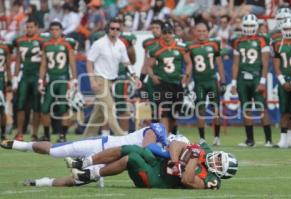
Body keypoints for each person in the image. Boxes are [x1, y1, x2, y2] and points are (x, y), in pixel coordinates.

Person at [1, 123, 172, 187]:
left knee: (78, 180)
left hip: (111, 161)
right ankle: (18, 144)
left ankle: (40, 182)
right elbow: (147, 145)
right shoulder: (159, 131)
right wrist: (165, 153)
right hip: (102, 145)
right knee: (55, 151)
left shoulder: (163, 156)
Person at [69, 141, 238, 189]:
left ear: (220, 173)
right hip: (160, 164)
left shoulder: (211, 180)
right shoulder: (206, 151)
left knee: (133, 158)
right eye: (218, 158)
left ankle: (91, 175)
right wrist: (175, 160)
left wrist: (193, 156)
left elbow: (187, 180)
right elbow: (176, 144)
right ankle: (85, 161)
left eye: (218, 164)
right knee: (132, 148)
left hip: (158, 181)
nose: (214, 160)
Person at [83, 18, 141, 136]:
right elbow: (89, 61)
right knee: (110, 107)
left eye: (117, 29)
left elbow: (126, 63)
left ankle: (82, 143)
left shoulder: (120, 45)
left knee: (98, 115)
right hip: (100, 79)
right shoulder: (99, 44)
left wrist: (135, 77)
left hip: (112, 81)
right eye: (112, 28)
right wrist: (92, 80)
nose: (115, 31)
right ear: (107, 29)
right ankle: (122, 137)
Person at [230, 14, 272, 147]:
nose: (248, 28)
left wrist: (263, 81)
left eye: (251, 26)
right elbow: (236, 64)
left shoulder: (262, 39)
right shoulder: (238, 40)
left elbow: (265, 63)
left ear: (256, 27)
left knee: (261, 108)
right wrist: (233, 82)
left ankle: (269, 140)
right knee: (246, 108)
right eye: (246, 26)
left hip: (256, 77)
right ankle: (250, 140)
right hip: (242, 78)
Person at [147, 22, 192, 134]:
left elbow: (189, 63)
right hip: (163, 83)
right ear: (162, 33)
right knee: (165, 112)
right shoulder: (156, 48)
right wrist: (153, 76)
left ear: (173, 33)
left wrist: (186, 75)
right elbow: (149, 65)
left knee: (174, 113)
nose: (167, 35)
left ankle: (172, 135)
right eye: (165, 32)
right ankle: (165, 139)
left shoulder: (181, 47)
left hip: (176, 83)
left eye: (169, 32)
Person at [187, 22, 226, 146]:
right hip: (199, 82)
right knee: (201, 110)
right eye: (199, 31)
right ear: (194, 32)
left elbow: (219, 63)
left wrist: (223, 81)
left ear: (207, 32)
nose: (202, 33)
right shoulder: (190, 46)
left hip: (212, 81)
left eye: (204, 31)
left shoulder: (214, 44)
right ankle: (202, 138)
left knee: (215, 109)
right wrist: (186, 83)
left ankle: (217, 137)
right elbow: (189, 65)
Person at [38, 21, 77, 142]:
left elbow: (72, 62)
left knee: (63, 108)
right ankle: (46, 134)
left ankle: (62, 135)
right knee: (44, 108)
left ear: (61, 31)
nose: (55, 32)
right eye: (52, 29)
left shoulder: (67, 44)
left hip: (63, 80)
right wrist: (40, 79)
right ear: (50, 31)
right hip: (51, 80)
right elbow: (44, 64)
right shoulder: (46, 44)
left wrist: (74, 79)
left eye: (57, 29)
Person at [12, 19, 46, 141]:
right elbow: (17, 60)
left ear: (36, 27)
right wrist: (15, 77)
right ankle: (19, 132)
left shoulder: (42, 41)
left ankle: (34, 133)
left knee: (36, 106)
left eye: (31, 27)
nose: (29, 29)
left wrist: (43, 78)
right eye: (27, 27)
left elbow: (44, 61)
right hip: (25, 76)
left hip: (36, 76)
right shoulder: (20, 41)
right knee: (20, 104)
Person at [272, 17, 291, 148]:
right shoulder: (277, 43)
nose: (289, 31)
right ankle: (283, 139)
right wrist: (283, 81)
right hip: (284, 79)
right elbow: (276, 65)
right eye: (287, 28)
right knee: (285, 110)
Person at [0, 40, 12, 141]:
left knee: (1, 108)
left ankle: (3, 133)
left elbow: (8, 66)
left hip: (0, 81)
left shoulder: (4, 47)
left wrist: (9, 82)